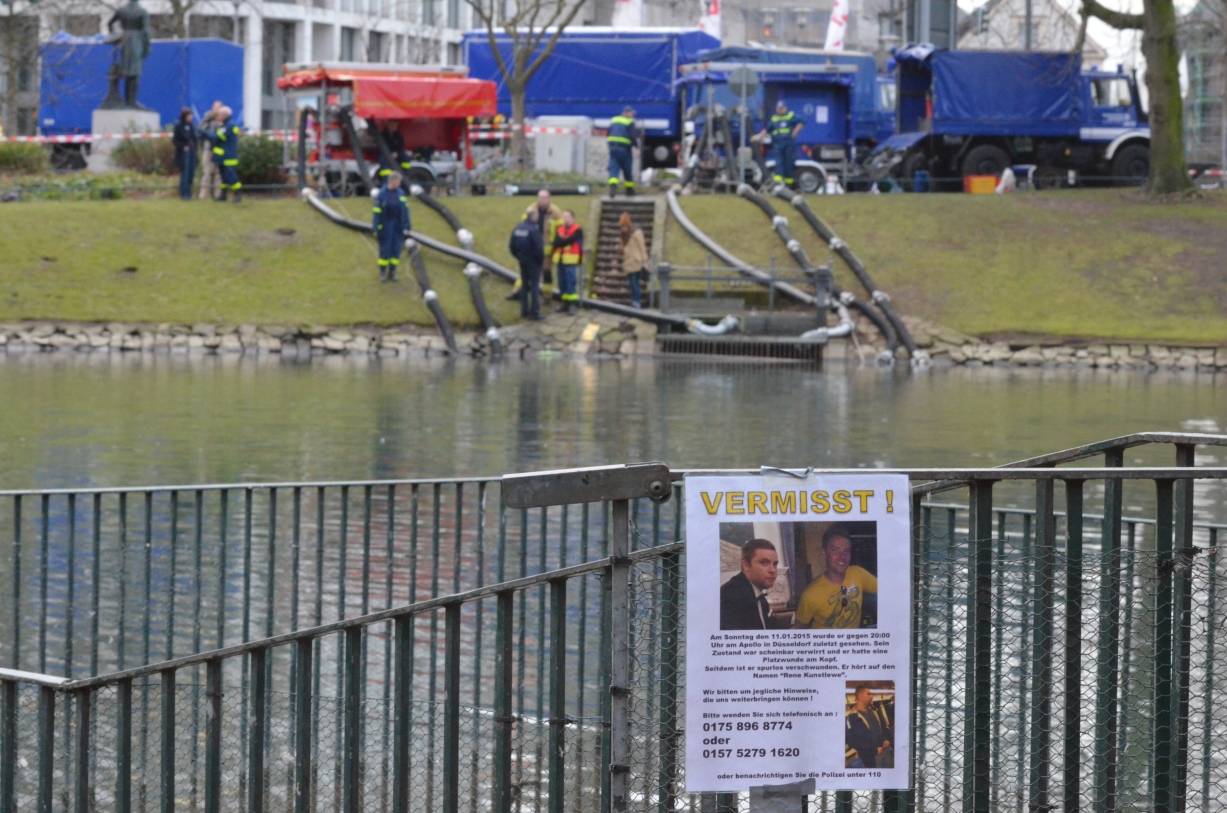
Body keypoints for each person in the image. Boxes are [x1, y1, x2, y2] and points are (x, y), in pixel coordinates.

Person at [794, 526, 877, 629]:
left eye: (846, 551)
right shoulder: (810, 594)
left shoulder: (858, 573)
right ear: (824, 553)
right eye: (835, 550)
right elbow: (798, 629)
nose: (842, 557)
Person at [507, 190, 563, 301]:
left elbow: (560, 230)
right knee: (525, 271)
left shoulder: (555, 212)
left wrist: (555, 247)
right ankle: (517, 292)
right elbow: (524, 224)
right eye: (540, 198)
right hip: (532, 246)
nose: (542, 200)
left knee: (547, 273)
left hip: (548, 248)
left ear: (549, 199)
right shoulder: (532, 208)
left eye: (545, 198)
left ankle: (547, 295)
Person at [720, 539, 786, 630]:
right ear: (746, 565)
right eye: (764, 563)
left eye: (775, 564)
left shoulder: (759, 596)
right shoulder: (730, 596)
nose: (773, 570)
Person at [372, 172, 410, 282]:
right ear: (392, 181)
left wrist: (407, 225)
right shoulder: (382, 194)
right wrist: (376, 227)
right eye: (398, 181)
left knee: (396, 250)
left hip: (398, 226)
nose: (399, 184)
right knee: (385, 250)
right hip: (385, 225)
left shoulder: (401, 193)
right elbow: (376, 212)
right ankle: (383, 272)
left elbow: (405, 210)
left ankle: (392, 272)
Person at [508, 209, 544, 320]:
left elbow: (511, 246)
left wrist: (518, 257)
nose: (538, 218)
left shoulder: (518, 228)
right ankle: (535, 312)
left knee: (524, 285)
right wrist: (540, 261)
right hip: (533, 262)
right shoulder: (533, 229)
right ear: (532, 216)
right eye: (536, 215)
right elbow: (539, 248)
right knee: (534, 286)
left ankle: (524, 311)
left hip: (522, 261)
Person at [845, 687, 893, 769]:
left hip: (882, 752)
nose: (872, 696)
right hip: (868, 759)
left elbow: (879, 729)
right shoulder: (852, 717)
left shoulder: (872, 712)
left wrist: (884, 739)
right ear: (860, 696)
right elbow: (853, 741)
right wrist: (874, 750)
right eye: (868, 694)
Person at [763, 100, 803, 189]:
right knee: (779, 164)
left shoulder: (790, 116)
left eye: (782, 108)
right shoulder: (774, 118)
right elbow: (767, 129)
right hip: (778, 145)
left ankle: (790, 185)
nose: (780, 110)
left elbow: (802, 122)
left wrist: (795, 132)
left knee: (788, 164)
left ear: (785, 108)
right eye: (778, 108)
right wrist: (759, 136)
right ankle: (778, 185)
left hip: (788, 144)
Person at [550, 209, 584, 314]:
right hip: (560, 260)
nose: (565, 219)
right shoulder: (560, 229)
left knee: (571, 283)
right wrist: (563, 240)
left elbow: (570, 240)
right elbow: (556, 243)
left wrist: (562, 240)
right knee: (562, 283)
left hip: (571, 261)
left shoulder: (578, 230)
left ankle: (572, 305)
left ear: (573, 218)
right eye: (564, 217)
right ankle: (564, 303)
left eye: (567, 217)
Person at [207, 106, 242, 203]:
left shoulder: (230, 125)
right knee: (224, 178)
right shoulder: (224, 125)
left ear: (225, 115)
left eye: (220, 114)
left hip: (228, 157)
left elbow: (218, 137)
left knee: (231, 176)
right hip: (223, 156)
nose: (218, 116)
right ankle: (223, 195)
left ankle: (237, 194)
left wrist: (207, 133)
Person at [618, 211, 648, 308]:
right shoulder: (622, 235)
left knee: (634, 283)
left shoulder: (637, 233)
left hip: (636, 262)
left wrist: (645, 260)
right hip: (628, 263)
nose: (623, 228)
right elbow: (623, 249)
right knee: (632, 284)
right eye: (622, 226)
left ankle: (637, 302)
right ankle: (634, 301)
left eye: (624, 226)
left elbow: (642, 246)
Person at [606, 106, 637, 197]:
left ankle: (613, 187)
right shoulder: (630, 122)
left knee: (614, 168)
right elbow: (632, 136)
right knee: (627, 169)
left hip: (613, 148)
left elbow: (608, 133)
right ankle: (629, 190)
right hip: (624, 149)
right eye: (631, 113)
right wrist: (636, 147)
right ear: (627, 113)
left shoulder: (614, 120)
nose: (632, 115)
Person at [197, 100, 223, 200]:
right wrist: (210, 116)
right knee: (207, 172)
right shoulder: (208, 119)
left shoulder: (222, 120)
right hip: (208, 149)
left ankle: (217, 194)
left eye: (219, 107)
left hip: (219, 149)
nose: (217, 110)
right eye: (216, 107)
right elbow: (200, 128)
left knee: (218, 174)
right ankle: (203, 195)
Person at [172, 107, 197, 201]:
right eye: (189, 116)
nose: (191, 117)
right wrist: (183, 146)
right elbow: (174, 141)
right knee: (185, 174)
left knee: (191, 173)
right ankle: (184, 193)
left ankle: (189, 192)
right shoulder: (178, 126)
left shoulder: (192, 126)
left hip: (192, 153)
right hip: (183, 154)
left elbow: (195, 138)